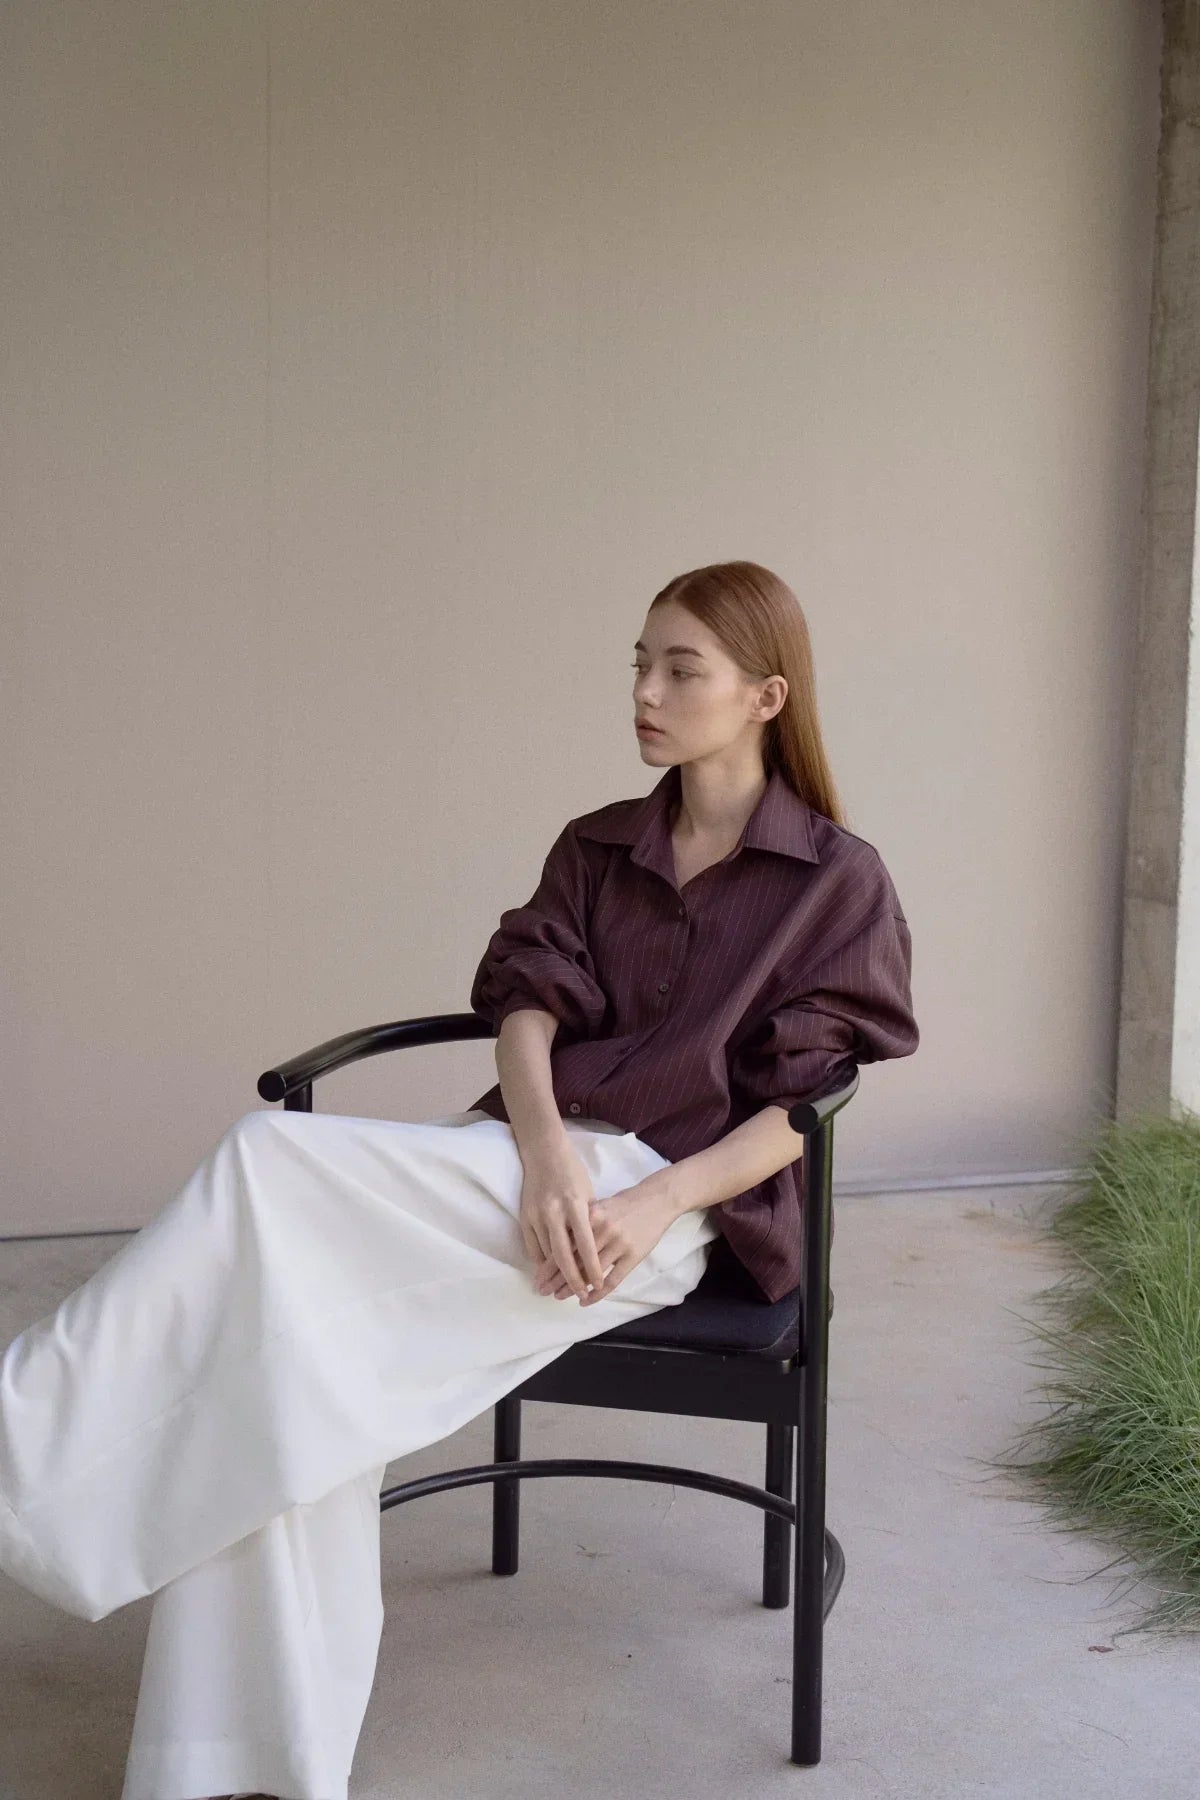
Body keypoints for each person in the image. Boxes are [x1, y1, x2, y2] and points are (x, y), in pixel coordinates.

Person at [0, 560, 918, 1800]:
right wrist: (541, 1151)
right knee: (285, 1374)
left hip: (670, 1206)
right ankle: (238, 1764)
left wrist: (648, 1200)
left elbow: (799, 1105)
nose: (644, 691)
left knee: (266, 1164)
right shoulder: (599, 846)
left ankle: (27, 1436)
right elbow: (530, 1008)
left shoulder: (836, 880)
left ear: (765, 694)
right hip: (525, 1164)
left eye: (678, 669)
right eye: (637, 663)